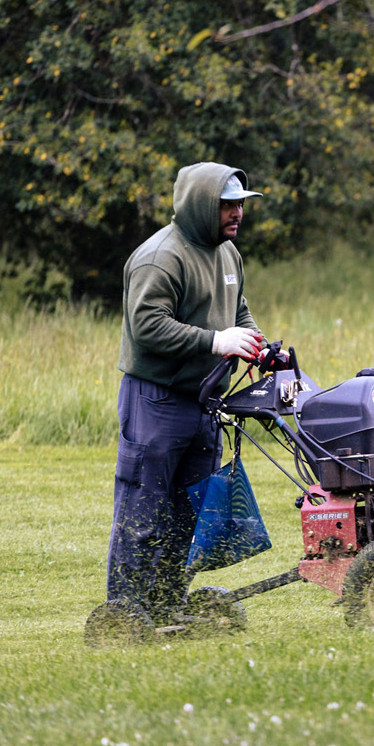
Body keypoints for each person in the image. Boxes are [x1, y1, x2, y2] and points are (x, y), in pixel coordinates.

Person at [106, 162, 268, 621]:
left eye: (241, 204)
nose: (238, 213)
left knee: (189, 515)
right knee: (144, 511)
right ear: (201, 206)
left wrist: (256, 345)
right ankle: (126, 614)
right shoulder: (161, 257)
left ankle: (167, 605)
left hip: (205, 400)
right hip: (156, 400)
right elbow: (147, 325)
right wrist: (216, 341)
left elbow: (238, 311)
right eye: (228, 205)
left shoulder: (227, 253)